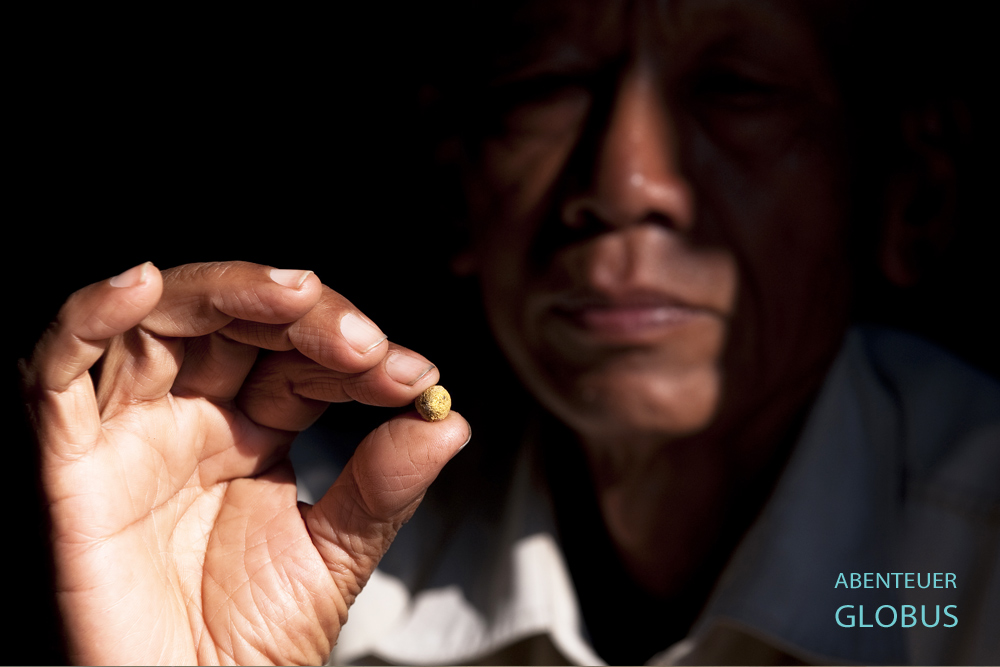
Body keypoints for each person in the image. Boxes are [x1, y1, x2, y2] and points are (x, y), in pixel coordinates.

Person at [18, 0, 998, 664]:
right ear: (455, 194)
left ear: (909, 196)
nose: (624, 187)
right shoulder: (275, 537)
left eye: (736, 89)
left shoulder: (969, 572)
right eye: (547, 89)